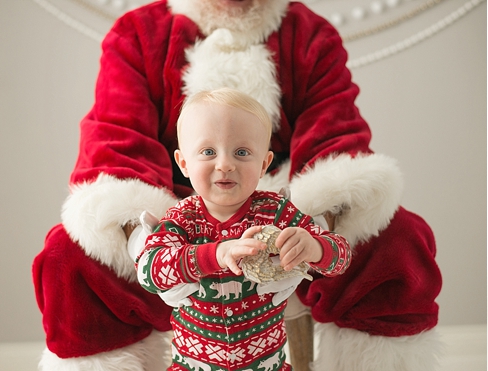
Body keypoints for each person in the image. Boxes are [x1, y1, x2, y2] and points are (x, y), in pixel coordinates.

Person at [32, 0, 442, 370]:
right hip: (172, 214)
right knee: (67, 261)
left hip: (282, 208)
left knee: (399, 241)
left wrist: (306, 235)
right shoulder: (138, 34)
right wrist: (148, 242)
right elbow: (116, 142)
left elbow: (336, 140)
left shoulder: (309, 34)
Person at [134, 88, 351, 371]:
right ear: (184, 164)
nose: (225, 164)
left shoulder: (276, 212)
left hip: (265, 364)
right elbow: (149, 271)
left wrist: (314, 247)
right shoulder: (182, 218)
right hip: (194, 364)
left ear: (264, 164)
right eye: (208, 151)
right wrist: (216, 254)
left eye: (241, 152)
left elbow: (341, 257)